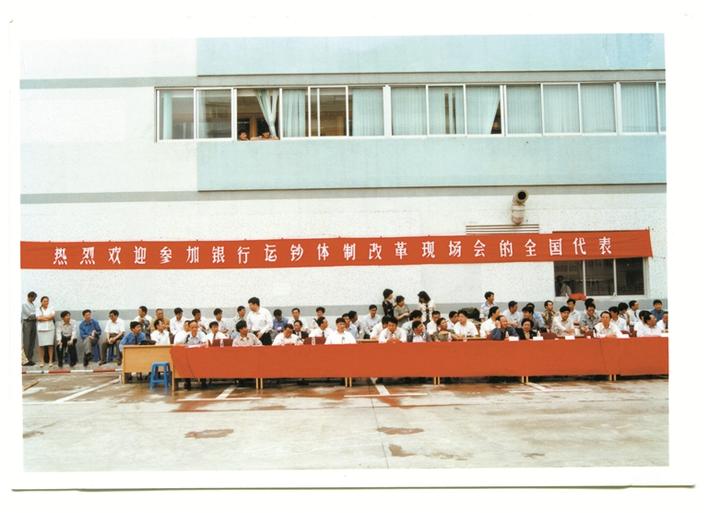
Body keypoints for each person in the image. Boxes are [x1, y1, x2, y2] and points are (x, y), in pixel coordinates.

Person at [35, 296, 56, 368]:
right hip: (41, 329)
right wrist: (47, 318)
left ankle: (50, 361)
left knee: (50, 345)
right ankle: (42, 361)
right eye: (44, 301)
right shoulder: (38, 309)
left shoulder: (51, 308)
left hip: (50, 328)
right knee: (41, 346)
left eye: (47, 301)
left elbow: (52, 317)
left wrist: (43, 317)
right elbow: (38, 318)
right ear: (41, 302)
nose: (46, 302)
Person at [22, 291, 38, 366]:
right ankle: (25, 360)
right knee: (27, 341)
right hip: (27, 322)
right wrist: (38, 316)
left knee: (32, 341)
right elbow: (30, 315)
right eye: (34, 298)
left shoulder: (32, 304)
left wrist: (36, 315)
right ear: (30, 297)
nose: (34, 299)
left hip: (34, 322)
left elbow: (35, 314)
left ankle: (30, 359)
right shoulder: (24, 304)